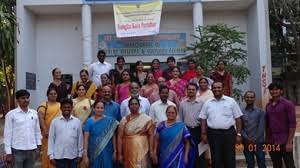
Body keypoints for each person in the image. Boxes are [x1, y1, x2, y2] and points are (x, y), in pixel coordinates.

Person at [199, 82, 243, 168]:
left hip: (229, 134)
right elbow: (203, 119)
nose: (216, 89)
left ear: (223, 89)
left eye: (219, 87)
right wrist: (203, 133)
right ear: (211, 89)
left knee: (229, 158)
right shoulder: (207, 103)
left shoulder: (231, 101)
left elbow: (238, 118)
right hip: (213, 134)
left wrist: (239, 134)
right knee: (216, 159)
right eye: (214, 88)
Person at [4, 89, 42, 168]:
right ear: (17, 100)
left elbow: (37, 131)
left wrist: (39, 146)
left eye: (27, 98)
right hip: (17, 150)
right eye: (23, 98)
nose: (26, 100)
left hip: (31, 150)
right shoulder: (11, 115)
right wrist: (8, 152)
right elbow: (7, 134)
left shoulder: (34, 113)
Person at [266, 82, 296, 168]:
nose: (274, 91)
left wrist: (289, 142)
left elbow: (292, 124)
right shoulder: (268, 106)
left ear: (281, 91)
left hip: (284, 141)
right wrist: (267, 141)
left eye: (276, 89)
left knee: (289, 164)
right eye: (271, 89)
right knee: (276, 164)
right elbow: (268, 125)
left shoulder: (288, 104)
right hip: (272, 141)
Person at [117, 97, 154, 168]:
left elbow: (151, 135)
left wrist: (151, 151)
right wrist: (119, 154)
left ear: (139, 106)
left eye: (136, 104)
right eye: (132, 104)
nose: (134, 106)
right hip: (128, 150)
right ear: (129, 106)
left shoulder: (147, 119)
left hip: (143, 149)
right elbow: (119, 137)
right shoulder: (124, 120)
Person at [48, 98, 83, 168]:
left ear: (72, 108)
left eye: (69, 107)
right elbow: (51, 139)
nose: (66, 109)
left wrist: (80, 154)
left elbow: (80, 139)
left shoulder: (77, 122)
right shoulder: (55, 122)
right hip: (59, 156)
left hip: (73, 157)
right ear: (61, 108)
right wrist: (51, 155)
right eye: (64, 107)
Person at [82, 100, 119, 168]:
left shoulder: (110, 120)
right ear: (93, 108)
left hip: (107, 150)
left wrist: (115, 151)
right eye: (97, 107)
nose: (100, 110)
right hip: (94, 150)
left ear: (104, 109)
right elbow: (86, 139)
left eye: (102, 108)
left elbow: (113, 136)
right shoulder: (89, 121)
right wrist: (85, 153)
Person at [178, 83, 205, 168]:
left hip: (198, 130)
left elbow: (204, 118)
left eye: (193, 89)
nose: (191, 91)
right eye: (189, 89)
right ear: (186, 90)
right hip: (187, 131)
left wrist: (203, 133)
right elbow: (181, 120)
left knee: (199, 153)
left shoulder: (201, 103)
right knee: (188, 153)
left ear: (196, 91)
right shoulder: (182, 103)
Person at [38, 88, 61, 168]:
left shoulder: (60, 105)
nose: (53, 95)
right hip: (47, 133)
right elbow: (40, 118)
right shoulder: (44, 105)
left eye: (55, 93)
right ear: (47, 95)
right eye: (51, 94)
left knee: (56, 152)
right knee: (47, 152)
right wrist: (45, 130)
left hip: (59, 134)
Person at [241, 91, 266, 168]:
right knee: (250, 164)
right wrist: (247, 139)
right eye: (247, 97)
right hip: (246, 142)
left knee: (261, 163)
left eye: (251, 97)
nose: (249, 99)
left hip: (259, 143)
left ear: (254, 98)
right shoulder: (241, 112)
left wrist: (254, 139)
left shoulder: (260, 112)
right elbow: (240, 128)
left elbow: (261, 128)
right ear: (244, 98)